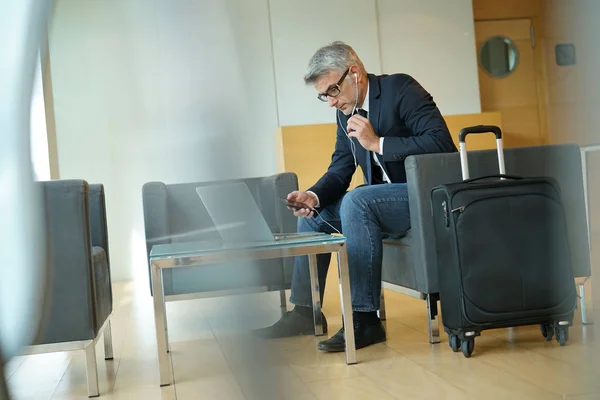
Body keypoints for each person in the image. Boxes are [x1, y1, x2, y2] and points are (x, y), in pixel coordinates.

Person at [256, 41, 457, 352]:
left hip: (422, 196)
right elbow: (340, 169)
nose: (330, 102)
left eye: (332, 90)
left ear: (355, 74)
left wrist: (378, 143)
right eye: (323, 95)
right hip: (381, 204)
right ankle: (305, 311)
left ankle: (365, 319)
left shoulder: (400, 88)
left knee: (357, 200)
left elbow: (442, 146)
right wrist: (313, 195)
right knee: (315, 218)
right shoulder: (344, 112)